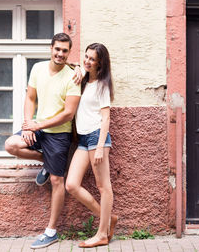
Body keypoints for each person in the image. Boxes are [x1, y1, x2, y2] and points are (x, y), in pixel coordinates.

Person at [4, 33, 81, 249]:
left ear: (68, 52)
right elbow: (30, 98)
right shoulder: (37, 68)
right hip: (38, 128)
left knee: (58, 181)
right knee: (11, 144)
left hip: (59, 134)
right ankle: (47, 163)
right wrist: (29, 123)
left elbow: (68, 114)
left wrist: (38, 125)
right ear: (51, 48)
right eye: (57, 49)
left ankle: (51, 231)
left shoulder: (73, 76)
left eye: (65, 50)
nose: (60, 54)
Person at [65, 43, 118, 248]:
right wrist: (78, 66)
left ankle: (102, 234)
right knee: (71, 184)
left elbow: (106, 119)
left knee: (104, 187)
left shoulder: (103, 85)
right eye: (85, 57)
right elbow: (65, 62)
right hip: (83, 139)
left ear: (100, 62)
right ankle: (109, 219)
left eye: (92, 59)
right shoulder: (85, 81)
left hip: (97, 137)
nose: (87, 61)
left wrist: (99, 146)